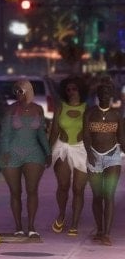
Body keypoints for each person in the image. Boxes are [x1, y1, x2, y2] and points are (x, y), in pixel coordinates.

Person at [0, 79, 50, 238]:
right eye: (15, 91)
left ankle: (32, 227)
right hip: (12, 153)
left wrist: (48, 152)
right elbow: (5, 134)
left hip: (34, 153)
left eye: (20, 91)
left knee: (32, 190)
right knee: (15, 192)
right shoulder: (11, 109)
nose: (17, 94)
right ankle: (18, 227)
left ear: (28, 91)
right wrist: (5, 152)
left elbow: (41, 134)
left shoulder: (38, 109)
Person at [83, 81, 123, 246]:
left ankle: (107, 233)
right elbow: (86, 135)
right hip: (94, 156)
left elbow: (121, 137)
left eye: (107, 92)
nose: (104, 95)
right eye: (102, 92)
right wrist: (89, 153)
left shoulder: (117, 114)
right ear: (97, 95)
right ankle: (100, 230)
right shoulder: (90, 113)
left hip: (113, 156)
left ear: (111, 95)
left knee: (109, 195)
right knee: (97, 196)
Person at [48, 76, 88, 236]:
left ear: (80, 90)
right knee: (63, 186)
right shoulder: (60, 107)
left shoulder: (87, 108)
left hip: (81, 149)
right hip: (62, 148)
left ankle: (75, 223)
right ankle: (62, 214)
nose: (71, 92)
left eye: (74, 89)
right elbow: (54, 131)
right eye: (68, 89)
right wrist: (47, 151)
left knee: (78, 188)